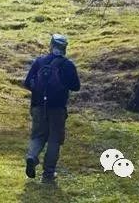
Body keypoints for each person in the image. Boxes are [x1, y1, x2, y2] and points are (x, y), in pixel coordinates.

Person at [23, 34, 81, 183]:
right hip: (57, 108)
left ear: (51, 45)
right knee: (54, 139)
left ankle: (32, 156)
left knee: (38, 136)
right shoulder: (68, 65)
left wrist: (40, 93)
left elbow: (27, 83)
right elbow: (76, 86)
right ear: (64, 48)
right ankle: (48, 174)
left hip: (38, 106)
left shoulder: (40, 62)